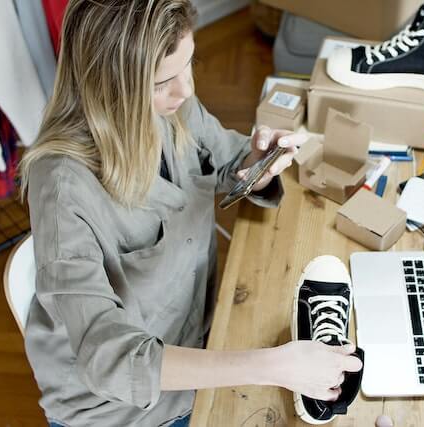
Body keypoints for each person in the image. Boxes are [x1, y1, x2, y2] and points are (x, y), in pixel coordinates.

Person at [19, 1, 363, 426]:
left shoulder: (170, 105)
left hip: (200, 335)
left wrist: (256, 165)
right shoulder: (61, 187)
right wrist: (274, 365)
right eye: (164, 80)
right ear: (110, 86)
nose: (186, 90)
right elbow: (110, 359)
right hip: (126, 410)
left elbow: (224, 157)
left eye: (189, 64)